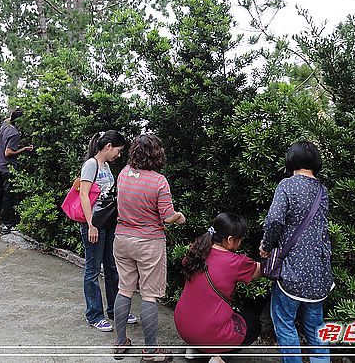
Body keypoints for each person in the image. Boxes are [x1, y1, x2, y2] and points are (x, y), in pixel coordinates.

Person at [112, 134, 186, 362]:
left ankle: (120, 342)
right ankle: (151, 352)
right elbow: (167, 216)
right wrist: (180, 217)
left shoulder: (124, 173)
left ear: (134, 152)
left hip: (122, 239)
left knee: (124, 289)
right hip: (149, 243)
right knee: (149, 295)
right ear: (156, 154)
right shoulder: (158, 181)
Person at [259, 141, 333, 363]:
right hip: (319, 274)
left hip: (291, 271)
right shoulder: (322, 190)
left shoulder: (287, 185)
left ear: (291, 160)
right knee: (316, 327)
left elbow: (274, 220)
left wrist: (266, 245)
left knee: (284, 322)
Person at [174, 213, 262, 363]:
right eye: (239, 239)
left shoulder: (196, 250)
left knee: (216, 311)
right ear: (229, 240)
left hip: (183, 325)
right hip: (207, 333)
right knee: (254, 325)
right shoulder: (234, 262)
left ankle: (195, 348)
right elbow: (259, 271)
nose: (240, 242)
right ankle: (216, 356)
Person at [79, 130, 137, 332]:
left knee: (112, 268)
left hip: (108, 224)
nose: (118, 155)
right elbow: (84, 196)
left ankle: (114, 310)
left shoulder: (106, 167)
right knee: (93, 270)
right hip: (94, 224)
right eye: (118, 151)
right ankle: (94, 315)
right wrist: (91, 225)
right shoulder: (91, 165)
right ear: (108, 146)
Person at [0, 108, 33, 235]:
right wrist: (24, 149)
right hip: (7, 168)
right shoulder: (15, 133)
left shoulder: (4, 126)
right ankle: (7, 224)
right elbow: (8, 152)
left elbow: (8, 119)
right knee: (8, 197)